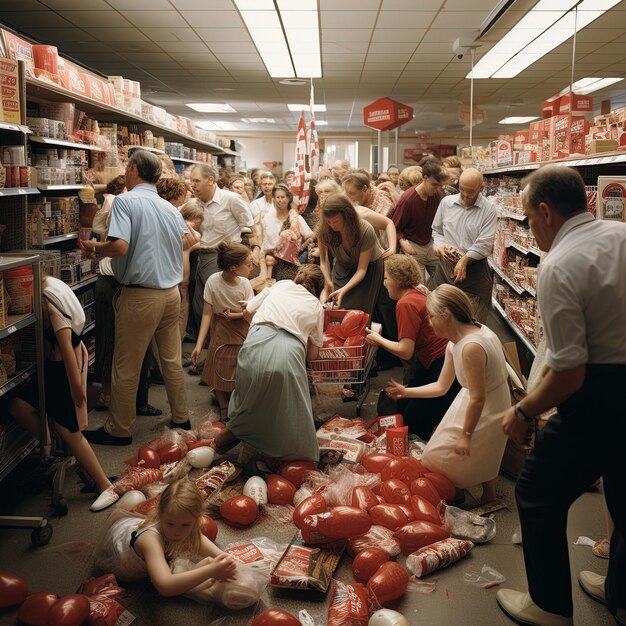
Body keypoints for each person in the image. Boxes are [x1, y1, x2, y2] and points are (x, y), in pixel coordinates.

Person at [497, 166, 626, 626]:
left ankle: (549, 607)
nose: (530, 227)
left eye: (529, 219)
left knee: (536, 493)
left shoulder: (560, 263)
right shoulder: (620, 233)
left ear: (546, 212)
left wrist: (523, 410)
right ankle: (620, 594)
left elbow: (570, 373)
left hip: (600, 394)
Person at [81, 150, 194, 444]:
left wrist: (93, 249)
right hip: (170, 295)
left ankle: (119, 429)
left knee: (126, 366)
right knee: (171, 360)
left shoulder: (125, 201)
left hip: (141, 296)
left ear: (132, 169)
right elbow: (188, 238)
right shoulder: (169, 208)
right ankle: (182, 417)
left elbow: (119, 247)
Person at [386, 285, 509, 504]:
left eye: (432, 317)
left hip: (486, 405)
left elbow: (478, 398)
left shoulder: (470, 347)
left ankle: (454, 494)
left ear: (446, 315)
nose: (430, 323)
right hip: (476, 398)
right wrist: (406, 392)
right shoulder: (458, 339)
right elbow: (442, 386)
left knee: (437, 457)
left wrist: (466, 435)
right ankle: (487, 496)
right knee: (484, 452)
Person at [4, 275, 115, 511]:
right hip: (54, 369)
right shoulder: (48, 290)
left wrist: (77, 390)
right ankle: (56, 445)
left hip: (64, 371)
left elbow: (66, 351)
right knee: (17, 404)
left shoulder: (53, 309)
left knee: (70, 430)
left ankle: (106, 486)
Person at [213, 265, 325, 462]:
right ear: (319, 288)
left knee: (250, 399)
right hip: (288, 355)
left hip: (254, 345)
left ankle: (233, 434)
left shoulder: (280, 285)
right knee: (289, 410)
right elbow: (312, 356)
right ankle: (285, 456)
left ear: (297, 278)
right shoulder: (316, 306)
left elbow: (247, 310)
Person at [94, 479, 259, 609]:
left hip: (136, 532)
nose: (177, 532)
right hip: (118, 555)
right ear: (160, 515)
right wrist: (212, 570)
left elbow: (198, 540)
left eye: (185, 525)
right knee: (179, 571)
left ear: (197, 519)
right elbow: (165, 586)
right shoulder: (150, 540)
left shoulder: (188, 524)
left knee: (191, 563)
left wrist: (225, 558)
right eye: (170, 524)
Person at [366, 255, 459, 440]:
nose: (384, 284)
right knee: (407, 407)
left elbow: (405, 350)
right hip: (434, 360)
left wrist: (378, 339)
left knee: (414, 421)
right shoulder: (418, 292)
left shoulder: (405, 303)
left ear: (397, 280)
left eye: (386, 278)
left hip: (438, 364)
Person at [92, 175, 161, 418]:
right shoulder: (119, 205)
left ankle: (126, 398)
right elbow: (116, 247)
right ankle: (110, 395)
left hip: (125, 283)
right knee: (114, 341)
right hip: (114, 282)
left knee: (127, 345)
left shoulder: (130, 207)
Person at [189, 164, 254, 348]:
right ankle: (206, 353)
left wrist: (248, 254)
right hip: (201, 256)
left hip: (222, 258)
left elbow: (249, 228)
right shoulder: (195, 204)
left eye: (196, 181)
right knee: (199, 307)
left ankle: (214, 356)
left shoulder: (231, 199)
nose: (192, 185)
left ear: (210, 180)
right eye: (190, 181)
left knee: (218, 311)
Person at [191, 242, 254, 419]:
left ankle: (236, 399)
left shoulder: (245, 284)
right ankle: (223, 403)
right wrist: (198, 345)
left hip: (242, 327)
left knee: (240, 364)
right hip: (220, 327)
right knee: (218, 362)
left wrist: (235, 316)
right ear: (234, 268)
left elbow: (249, 312)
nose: (252, 267)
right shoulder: (213, 280)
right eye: (248, 264)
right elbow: (206, 313)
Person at [431, 168, 497, 323]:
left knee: (471, 322)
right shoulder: (446, 203)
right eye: (462, 189)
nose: (465, 195)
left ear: (481, 188)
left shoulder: (488, 210)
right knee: (441, 318)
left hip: (474, 273)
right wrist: (439, 246)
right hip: (444, 270)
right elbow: (437, 230)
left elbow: (485, 243)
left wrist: (464, 260)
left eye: (471, 191)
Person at [316, 193, 384, 316]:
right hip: (342, 267)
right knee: (338, 308)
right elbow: (324, 260)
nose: (332, 225)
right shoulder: (324, 230)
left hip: (369, 269)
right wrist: (328, 282)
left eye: (336, 221)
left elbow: (362, 270)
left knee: (359, 313)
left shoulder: (365, 229)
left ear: (347, 215)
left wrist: (344, 290)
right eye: (329, 222)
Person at [393, 158, 448, 286]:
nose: (436, 189)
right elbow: (395, 226)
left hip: (432, 243)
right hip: (414, 246)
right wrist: (402, 242)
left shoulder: (439, 196)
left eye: (439, 186)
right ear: (425, 178)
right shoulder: (408, 199)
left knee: (443, 283)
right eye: (434, 185)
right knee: (418, 286)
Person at [261, 183, 312, 282]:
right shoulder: (267, 219)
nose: (280, 200)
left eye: (283, 197)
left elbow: (310, 236)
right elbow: (264, 243)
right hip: (272, 263)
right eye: (277, 197)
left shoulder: (295, 218)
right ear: (273, 199)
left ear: (288, 199)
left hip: (293, 265)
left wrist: (300, 249)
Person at [178, 200, 203, 344]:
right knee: (181, 314)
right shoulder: (189, 234)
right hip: (181, 280)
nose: (192, 224)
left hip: (182, 281)